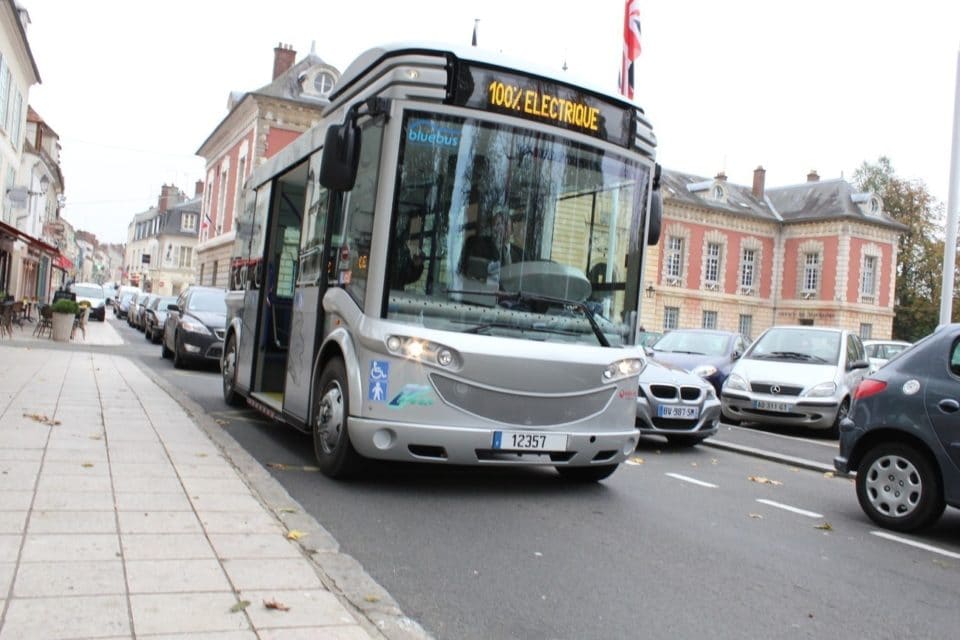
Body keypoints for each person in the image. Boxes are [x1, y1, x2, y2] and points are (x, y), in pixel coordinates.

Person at [460, 208, 523, 278]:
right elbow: (467, 269)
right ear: (492, 228)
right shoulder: (477, 245)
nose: (500, 227)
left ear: (512, 230)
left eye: (504, 223)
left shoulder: (521, 255)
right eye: (497, 224)